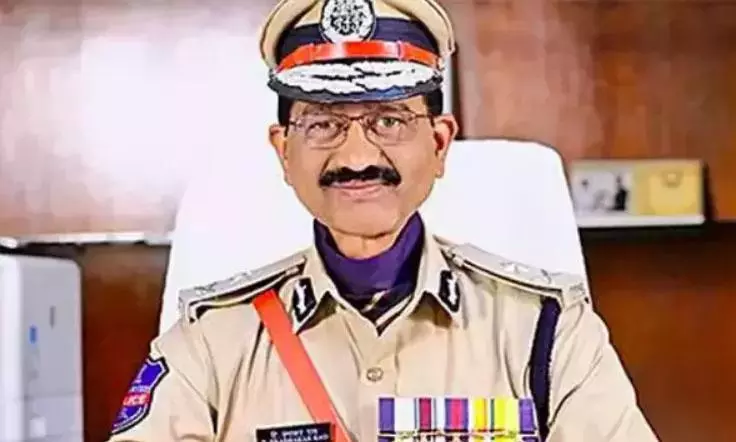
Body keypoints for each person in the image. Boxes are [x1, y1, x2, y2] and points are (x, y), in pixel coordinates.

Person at [106, 0, 658, 441]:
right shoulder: (210, 342)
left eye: (388, 120)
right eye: (322, 124)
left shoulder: (546, 330)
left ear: (439, 143)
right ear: (283, 151)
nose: (355, 158)